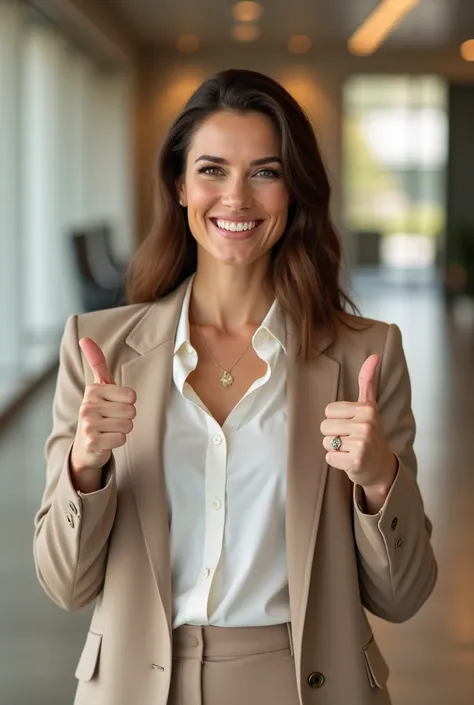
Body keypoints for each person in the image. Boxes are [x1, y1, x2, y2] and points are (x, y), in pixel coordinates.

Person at [33, 68, 437, 705]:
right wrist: (85, 468)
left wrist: (380, 479)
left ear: (295, 190)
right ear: (179, 184)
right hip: (136, 686)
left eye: (266, 172)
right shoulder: (99, 347)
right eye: (212, 170)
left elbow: (403, 594)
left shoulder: (366, 352)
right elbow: (65, 585)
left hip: (305, 683)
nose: (237, 199)